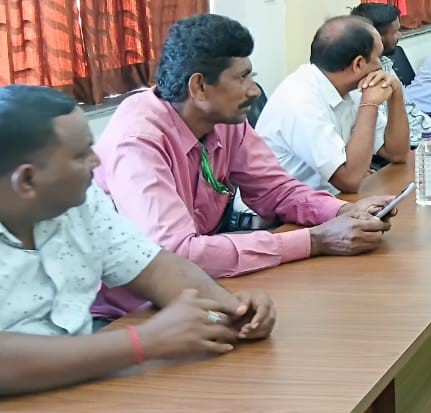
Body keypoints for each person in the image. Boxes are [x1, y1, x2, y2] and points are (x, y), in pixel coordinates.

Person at [93, 14, 392, 317]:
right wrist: (314, 240)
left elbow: (276, 190)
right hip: (129, 314)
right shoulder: (137, 140)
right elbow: (178, 254)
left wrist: (342, 211)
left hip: (199, 288)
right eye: (242, 77)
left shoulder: (222, 119)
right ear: (199, 86)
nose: (255, 90)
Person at [0, 86, 277, 396]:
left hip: (79, 390)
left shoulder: (80, 201)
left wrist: (230, 311)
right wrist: (142, 342)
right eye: (81, 155)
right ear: (26, 180)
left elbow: (155, 267)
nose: (96, 161)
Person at [256, 17, 410, 194]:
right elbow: (350, 181)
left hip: (325, 201)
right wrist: (369, 104)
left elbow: (397, 154)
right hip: (270, 218)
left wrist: (395, 93)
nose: (380, 66)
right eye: (378, 57)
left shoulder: (351, 85)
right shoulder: (300, 101)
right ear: (358, 64)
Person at [351, 2, 427, 144]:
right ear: (376, 37)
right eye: (395, 31)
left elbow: (407, 108)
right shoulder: (362, 78)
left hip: (418, 134)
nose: (400, 35)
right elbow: (383, 134)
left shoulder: (384, 62)